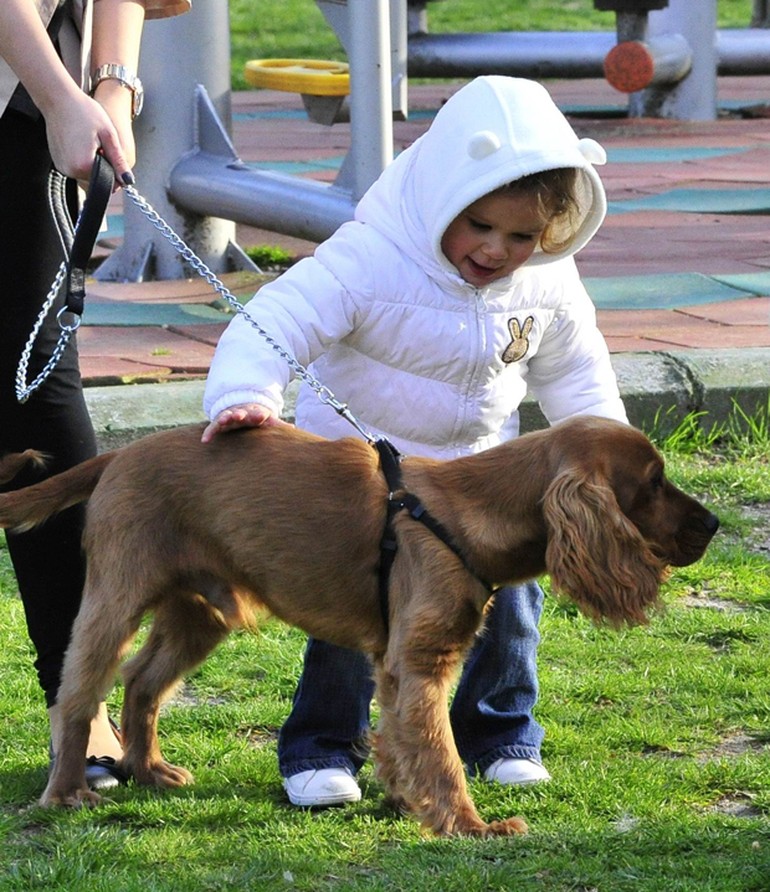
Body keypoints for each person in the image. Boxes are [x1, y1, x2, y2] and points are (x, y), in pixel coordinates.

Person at [202, 76, 628, 807]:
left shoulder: (549, 283)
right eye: (481, 226)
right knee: (356, 612)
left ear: (551, 233)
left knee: (508, 607)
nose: (497, 250)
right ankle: (323, 746)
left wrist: (611, 451)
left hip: (477, 480)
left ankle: (500, 733)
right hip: (362, 483)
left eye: (521, 236)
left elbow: (578, 373)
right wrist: (246, 395)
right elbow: (279, 317)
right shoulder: (371, 255)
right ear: (442, 198)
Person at [0, 0, 189, 789]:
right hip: (36, 82)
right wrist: (57, 93)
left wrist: (109, 88)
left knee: (38, 375)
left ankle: (79, 702)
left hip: (29, 90)